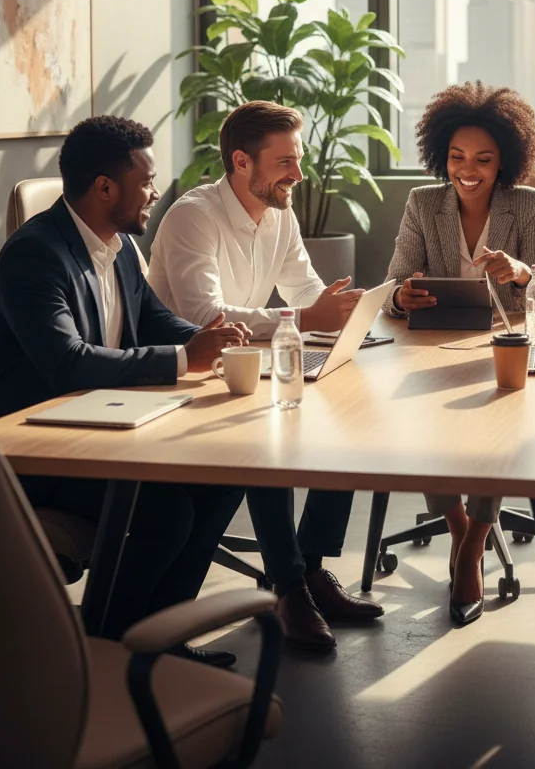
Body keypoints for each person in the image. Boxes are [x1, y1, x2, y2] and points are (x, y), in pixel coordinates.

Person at [0, 116, 250, 666]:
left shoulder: (121, 245)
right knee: (165, 510)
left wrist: (209, 340)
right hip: (37, 450)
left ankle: (162, 641)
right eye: (147, 180)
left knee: (223, 481)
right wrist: (183, 358)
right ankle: (111, 651)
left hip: (101, 426)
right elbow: (68, 364)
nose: (156, 191)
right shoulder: (36, 255)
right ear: (105, 187)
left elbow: (153, 320)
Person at [148, 101, 384, 652]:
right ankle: (289, 585)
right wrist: (305, 318)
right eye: (285, 163)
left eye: (296, 160)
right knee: (268, 433)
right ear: (241, 162)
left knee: (345, 413)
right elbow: (204, 316)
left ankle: (312, 567)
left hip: (249, 361)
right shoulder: (193, 216)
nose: (297, 175)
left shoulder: (279, 214)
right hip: (188, 373)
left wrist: (341, 312)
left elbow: (304, 290)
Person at [383, 82, 535, 627]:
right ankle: (459, 524)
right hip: (431, 347)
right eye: (457, 157)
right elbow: (391, 282)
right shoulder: (422, 203)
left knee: (496, 431)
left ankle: (474, 540)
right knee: (427, 427)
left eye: (483, 159)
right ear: (442, 155)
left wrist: (524, 273)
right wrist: (399, 295)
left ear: (505, 159)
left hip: (501, 347)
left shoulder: (527, 205)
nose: (468, 168)